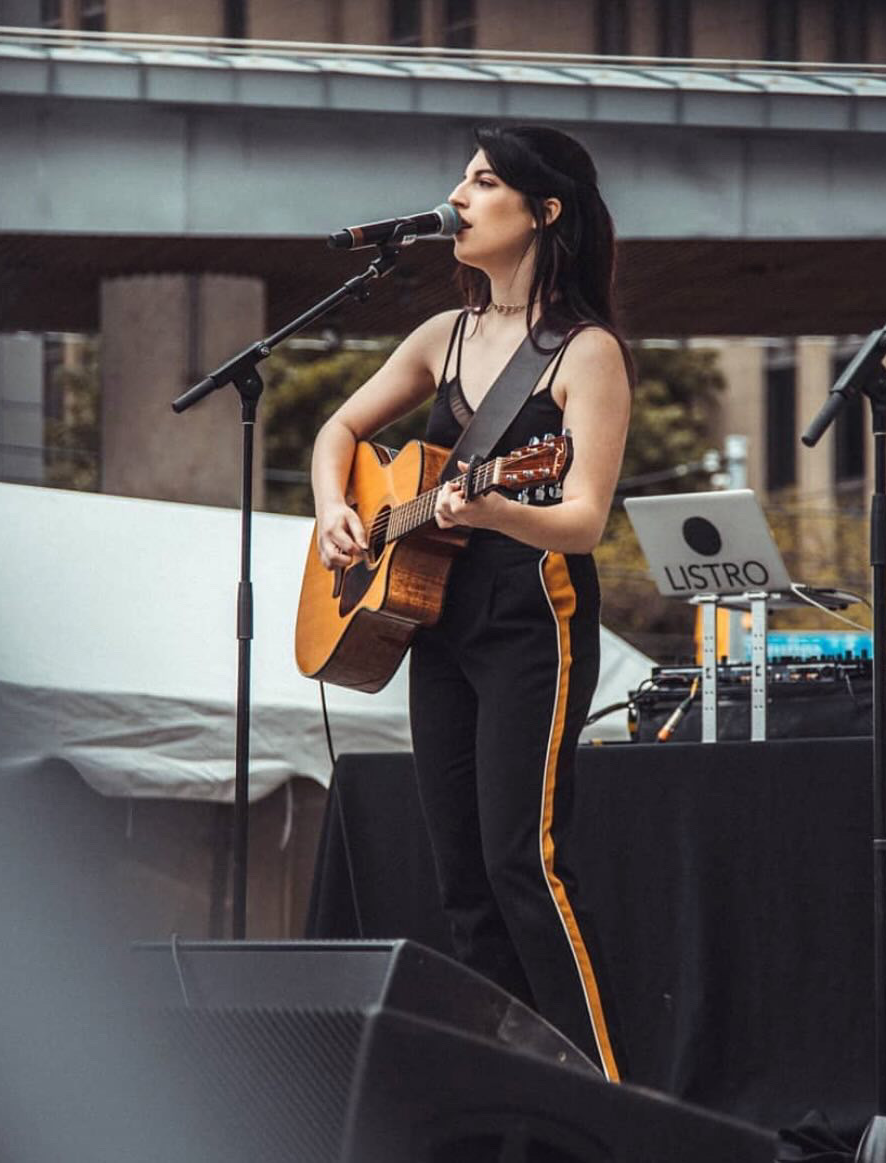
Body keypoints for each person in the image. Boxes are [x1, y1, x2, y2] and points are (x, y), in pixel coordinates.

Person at [309, 124, 632, 1082]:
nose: (457, 193)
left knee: (522, 865)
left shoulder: (586, 352)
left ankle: (612, 1097)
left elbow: (582, 520)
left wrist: (493, 504)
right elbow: (339, 427)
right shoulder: (440, 337)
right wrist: (337, 508)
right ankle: (512, 1094)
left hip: (534, 620)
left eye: (483, 181)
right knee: (461, 886)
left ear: (544, 210)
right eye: (462, 176)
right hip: (438, 618)